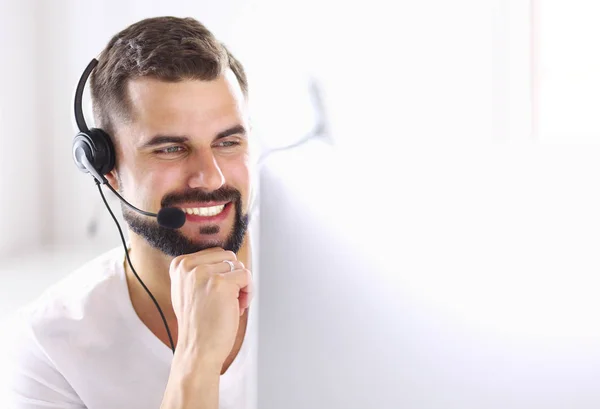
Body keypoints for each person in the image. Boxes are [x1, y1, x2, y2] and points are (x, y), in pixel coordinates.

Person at [2, 16, 256, 409]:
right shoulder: (48, 352)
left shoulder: (343, 282)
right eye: (170, 148)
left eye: (227, 142)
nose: (210, 175)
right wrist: (196, 359)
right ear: (106, 169)